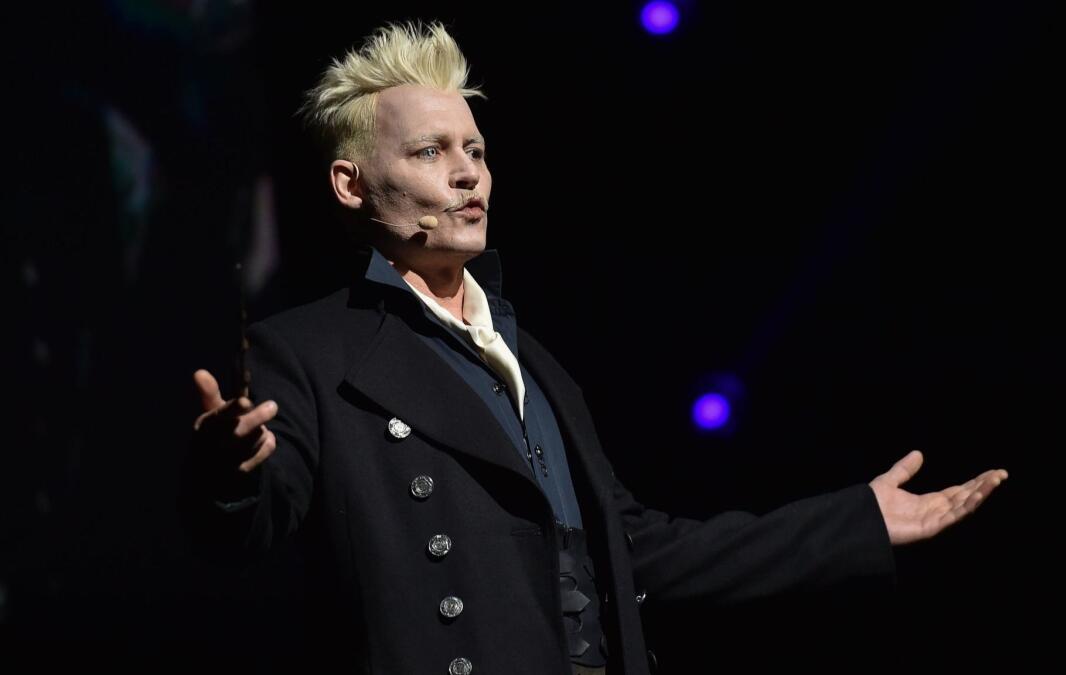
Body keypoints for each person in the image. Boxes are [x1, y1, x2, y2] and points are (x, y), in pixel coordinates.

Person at [182, 21, 1008, 675]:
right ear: (351, 183)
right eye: (431, 152)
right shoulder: (314, 351)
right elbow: (251, 522)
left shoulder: (537, 363)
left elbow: (638, 550)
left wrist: (854, 522)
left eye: (475, 150)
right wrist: (231, 476)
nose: (468, 174)